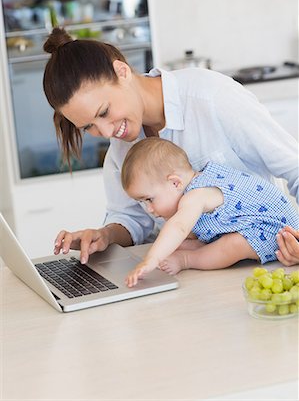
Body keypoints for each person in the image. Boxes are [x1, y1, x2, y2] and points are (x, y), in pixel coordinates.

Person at [42, 27, 299, 267]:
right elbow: (133, 222)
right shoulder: (120, 149)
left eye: (105, 112)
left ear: (122, 72)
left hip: (257, 265)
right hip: (185, 272)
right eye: (89, 127)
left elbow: (294, 168)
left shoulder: (212, 97)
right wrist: (105, 235)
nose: (107, 132)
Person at [121, 137, 299, 287]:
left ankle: (188, 259)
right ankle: (200, 249)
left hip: (277, 233)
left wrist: (151, 260)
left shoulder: (196, 195)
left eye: (149, 199)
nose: (149, 209)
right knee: (180, 242)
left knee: (233, 244)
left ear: (175, 183)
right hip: (253, 225)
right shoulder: (199, 182)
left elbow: (179, 227)